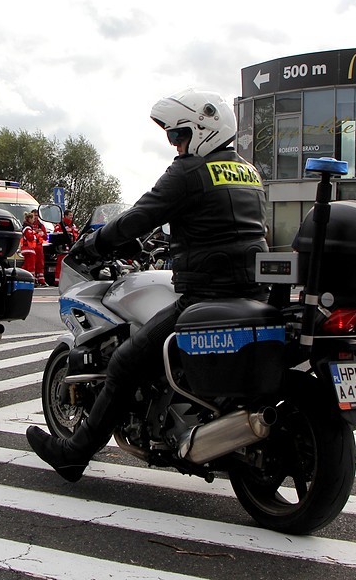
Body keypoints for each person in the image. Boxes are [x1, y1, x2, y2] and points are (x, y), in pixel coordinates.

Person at [26, 88, 268, 482]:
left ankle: (74, 455)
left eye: (178, 135)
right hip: (252, 292)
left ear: (202, 130)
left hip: (206, 293)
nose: (175, 144)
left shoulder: (189, 171)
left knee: (125, 363)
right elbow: (225, 226)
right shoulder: (249, 172)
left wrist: (94, 243)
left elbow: (140, 216)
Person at [29, 209, 48, 286]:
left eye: (37, 215)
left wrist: (41, 233)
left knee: (40, 263)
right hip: (31, 247)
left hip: (39, 246)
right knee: (31, 264)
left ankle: (41, 280)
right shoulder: (28, 225)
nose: (35, 217)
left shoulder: (41, 225)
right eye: (34, 215)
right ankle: (32, 279)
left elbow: (46, 237)